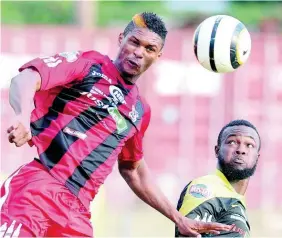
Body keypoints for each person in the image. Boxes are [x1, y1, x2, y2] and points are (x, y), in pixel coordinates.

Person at [1, 12, 231, 237]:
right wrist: (22, 115)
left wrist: (177, 217)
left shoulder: (140, 110)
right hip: (37, 189)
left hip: (77, 214)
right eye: (134, 42)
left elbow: (133, 169)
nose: (139, 53)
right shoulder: (89, 65)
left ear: (158, 56)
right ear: (122, 39)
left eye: (149, 49)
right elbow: (27, 77)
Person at [175, 119, 261, 237]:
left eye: (249, 145)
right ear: (217, 150)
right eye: (232, 142)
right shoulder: (206, 188)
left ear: (257, 157)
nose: (241, 150)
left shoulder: (235, 198)